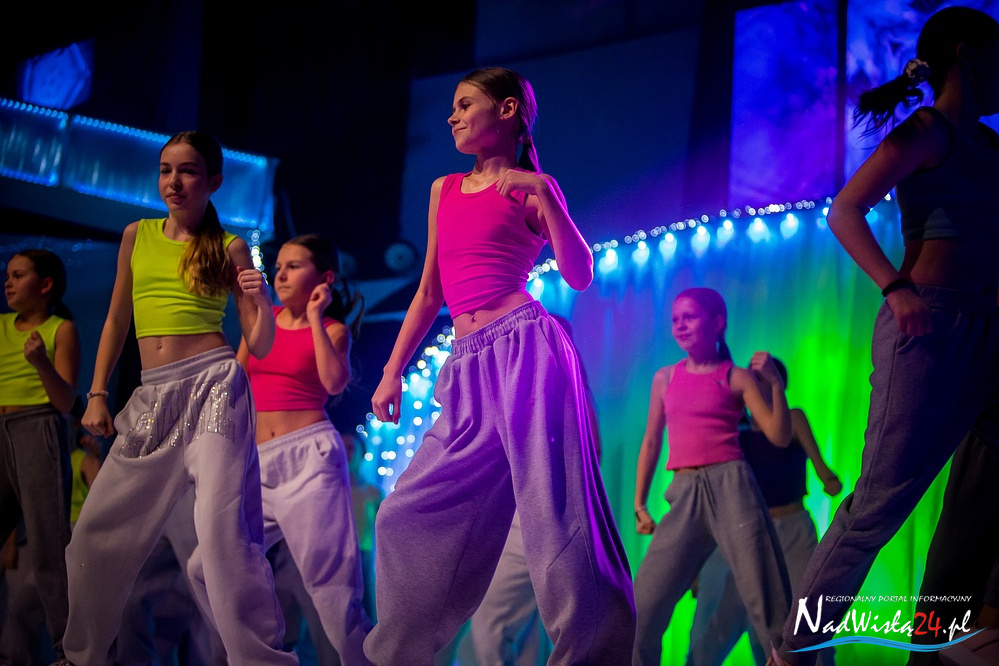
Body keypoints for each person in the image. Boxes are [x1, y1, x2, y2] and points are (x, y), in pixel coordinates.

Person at [368, 66, 636, 665]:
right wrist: (392, 370)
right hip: (467, 365)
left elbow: (580, 274)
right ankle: (398, 655)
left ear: (508, 110)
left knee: (556, 514)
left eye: (466, 104)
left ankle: (595, 653)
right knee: (403, 514)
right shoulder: (444, 189)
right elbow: (429, 291)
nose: (453, 116)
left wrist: (542, 189)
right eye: (453, 107)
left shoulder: (532, 188)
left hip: (527, 351)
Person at [770, 7, 999, 664]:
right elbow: (846, 210)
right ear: (968, 56)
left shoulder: (989, 145)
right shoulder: (929, 130)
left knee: (989, 486)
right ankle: (794, 650)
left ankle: (958, 632)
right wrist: (894, 287)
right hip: (930, 326)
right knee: (876, 505)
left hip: (988, 332)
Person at [65, 130, 297, 665]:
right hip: (153, 396)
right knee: (92, 536)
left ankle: (261, 660)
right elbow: (117, 319)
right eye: (166, 170)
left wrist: (261, 299)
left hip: (215, 387)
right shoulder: (137, 234)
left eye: (188, 171)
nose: (174, 181)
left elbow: (260, 345)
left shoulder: (229, 246)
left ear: (213, 181)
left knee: (220, 534)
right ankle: (80, 656)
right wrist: (97, 393)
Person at [632, 287, 792, 666]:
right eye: (675, 319)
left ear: (718, 323)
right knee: (643, 606)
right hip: (684, 491)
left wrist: (775, 385)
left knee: (767, 599)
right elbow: (652, 441)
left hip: (732, 487)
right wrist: (639, 504)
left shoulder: (735, 377)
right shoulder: (665, 378)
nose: (680, 325)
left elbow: (779, 436)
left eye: (689, 317)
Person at [239, 233, 372, 665]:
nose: (280, 274)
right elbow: (236, 384)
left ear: (325, 278)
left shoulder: (333, 329)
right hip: (258, 462)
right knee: (208, 567)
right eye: (278, 266)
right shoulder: (263, 319)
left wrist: (315, 315)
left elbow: (333, 383)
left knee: (334, 593)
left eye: (293, 266)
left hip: (308, 459)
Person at [687, 358, 841, 666]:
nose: (756, 385)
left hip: (792, 530)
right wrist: (697, 566)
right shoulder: (735, 427)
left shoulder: (793, 419)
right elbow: (713, 492)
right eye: (753, 379)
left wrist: (831, 481)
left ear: (778, 385)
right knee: (715, 628)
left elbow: (824, 472)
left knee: (807, 617)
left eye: (765, 379)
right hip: (745, 531)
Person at [467, 313, 598, 666]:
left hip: (545, 517)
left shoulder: (568, 394)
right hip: (520, 519)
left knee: (498, 624)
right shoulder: (520, 390)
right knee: (518, 629)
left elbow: (588, 459)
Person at [0, 248, 80, 662]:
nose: (8, 282)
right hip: (0, 430)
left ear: (45, 285)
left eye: (19, 275)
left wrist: (40, 363)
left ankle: (69, 650)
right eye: (7, 275)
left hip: (38, 427)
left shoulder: (60, 329)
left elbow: (65, 401)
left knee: (49, 545)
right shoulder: (0, 326)